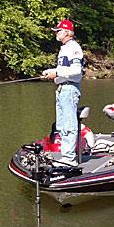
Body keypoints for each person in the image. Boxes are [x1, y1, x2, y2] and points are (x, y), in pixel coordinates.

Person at [42, 19, 84, 166]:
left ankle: (69, 159)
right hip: (62, 89)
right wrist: (52, 72)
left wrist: (57, 72)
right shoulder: (64, 48)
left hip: (69, 89)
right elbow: (64, 70)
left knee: (69, 125)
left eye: (58, 30)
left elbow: (76, 71)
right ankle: (66, 156)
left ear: (66, 32)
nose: (56, 33)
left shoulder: (73, 48)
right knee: (61, 125)